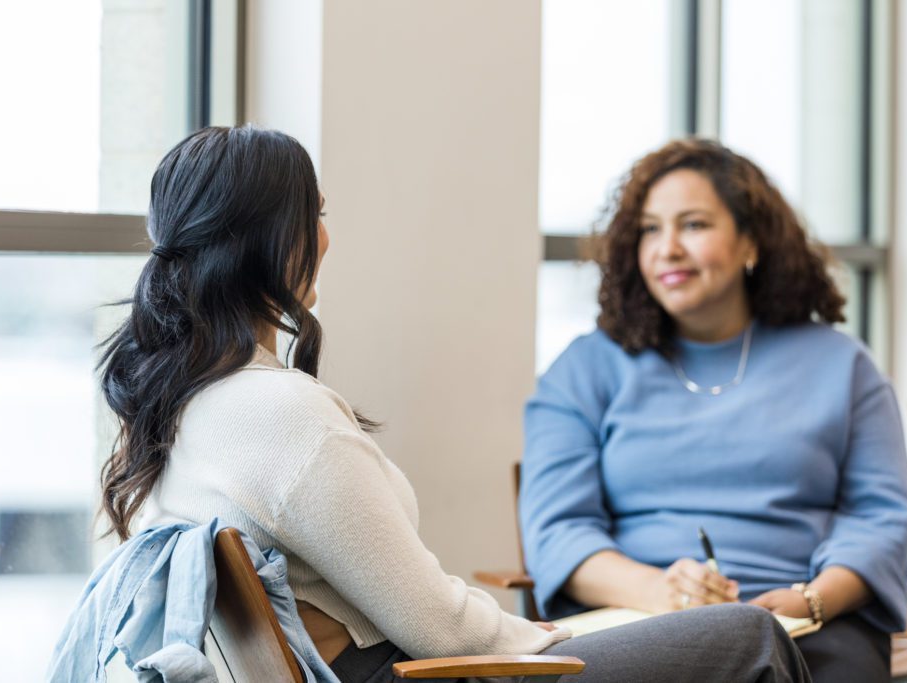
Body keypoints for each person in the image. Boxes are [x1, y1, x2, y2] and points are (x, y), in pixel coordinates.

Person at [98, 126, 811, 682]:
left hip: (406, 665)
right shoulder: (282, 413)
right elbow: (440, 626)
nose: (325, 235)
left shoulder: (187, 408)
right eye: (315, 212)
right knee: (752, 638)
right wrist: (555, 637)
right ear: (277, 238)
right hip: (431, 672)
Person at [520, 138, 907, 682]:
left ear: (751, 241)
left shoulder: (842, 365)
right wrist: (659, 590)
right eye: (650, 230)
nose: (667, 248)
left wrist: (813, 599)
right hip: (639, 620)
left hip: (812, 622)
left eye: (694, 225)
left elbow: (881, 516)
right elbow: (559, 530)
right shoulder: (584, 369)